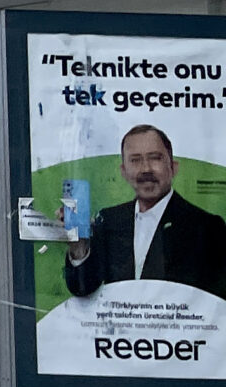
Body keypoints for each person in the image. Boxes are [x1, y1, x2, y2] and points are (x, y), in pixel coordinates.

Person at [66, 123, 226, 301]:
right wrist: (79, 245)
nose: (146, 169)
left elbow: (216, 304)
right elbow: (82, 288)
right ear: (123, 171)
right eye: (135, 160)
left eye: (155, 158)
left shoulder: (206, 226)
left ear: (173, 167)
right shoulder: (109, 219)